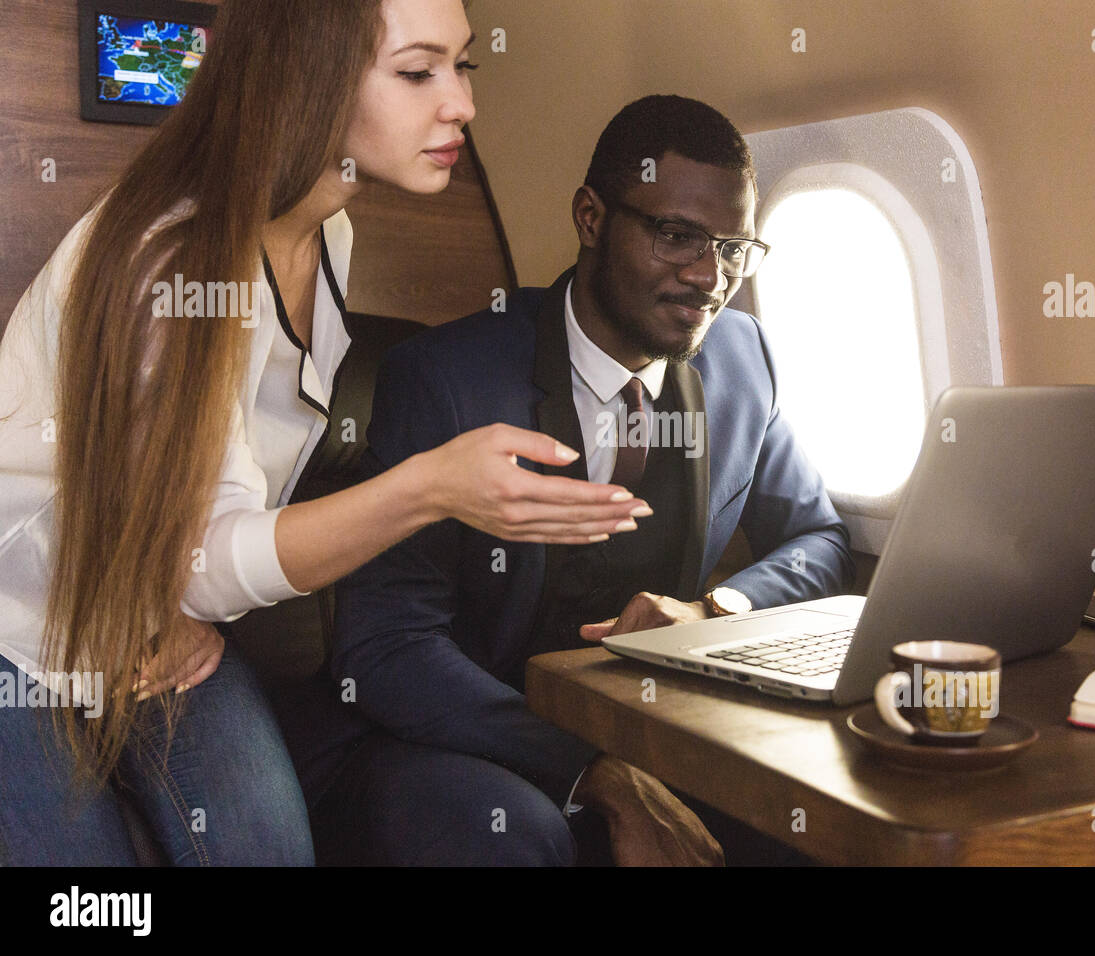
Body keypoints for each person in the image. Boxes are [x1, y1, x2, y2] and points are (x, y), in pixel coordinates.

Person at [0, 0, 648, 866]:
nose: (461, 104)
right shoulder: (175, 262)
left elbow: (196, 539)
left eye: (464, 68)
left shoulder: (329, 234)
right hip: (24, 626)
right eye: (419, 72)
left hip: (154, 612)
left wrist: (175, 601)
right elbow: (197, 557)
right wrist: (429, 487)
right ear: (306, 79)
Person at [306, 94, 855, 866]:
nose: (710, 276)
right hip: (458, 733)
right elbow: (387, 647)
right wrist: (591, 769)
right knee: (508, 839)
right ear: (591, 218)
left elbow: (820, 538)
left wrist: (716, 607)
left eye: (734, 247)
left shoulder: (743, 358)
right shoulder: (445, 380)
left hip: (653, 721)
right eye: (676, 237)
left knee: (817, 813)